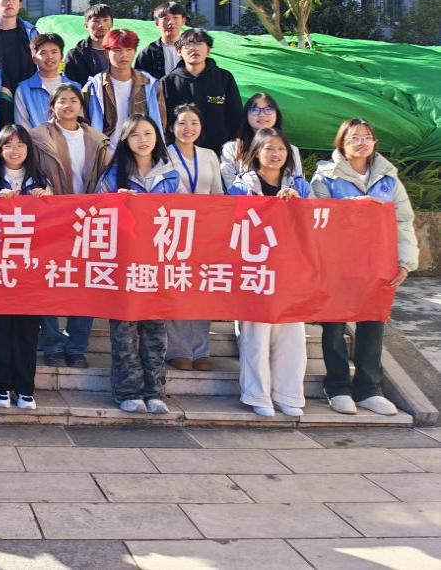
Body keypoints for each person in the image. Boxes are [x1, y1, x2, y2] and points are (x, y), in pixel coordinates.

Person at [311, 118, 418, 416]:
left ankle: (368, 388)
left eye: (367, 137)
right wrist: (354, 206)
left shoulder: (388, 178)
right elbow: (317, 218)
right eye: (354, 138)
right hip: (338, 264)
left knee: (373, 323)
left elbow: (403, 221)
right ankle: (337, 387)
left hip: (378, 263)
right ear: (341, 143)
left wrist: (405, 262)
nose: (362, 142)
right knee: (334, 325)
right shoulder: (325, 177)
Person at [97, 114, 179, 414]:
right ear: (125, 140)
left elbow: (183, 215)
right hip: (124, 263)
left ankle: (154, 390)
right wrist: (116, 203)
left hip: (158, 263)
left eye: (148, 133)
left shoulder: (170, 175)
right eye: (135, 134)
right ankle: (128, 391)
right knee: (124, 330)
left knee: (155, 330)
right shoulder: (112, 176)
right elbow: (96, 214)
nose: (142, 140)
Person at [228, 127, 311, 417]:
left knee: (292, 335)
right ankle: (257, 394)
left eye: (281, 149)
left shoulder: (300, 186)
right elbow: (230, 222)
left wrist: (298, 205)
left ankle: (289, 394)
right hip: (255, 270)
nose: (275, 154)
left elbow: (316, 222)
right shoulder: (241, 186)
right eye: (269, 148)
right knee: (256, 335)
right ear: (256, 152)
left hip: (290, 270)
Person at [30, 84, 111, 367]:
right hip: (51, 219)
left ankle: (77, 347)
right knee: (48, 282)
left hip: (88, 220)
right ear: (52, 106)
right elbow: (31, 172)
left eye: (73, 100)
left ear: (81, 106)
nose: (68, 105)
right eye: (62, 100)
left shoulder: (97, 140)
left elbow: (109, 176)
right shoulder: (37, 137)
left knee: (85, 285)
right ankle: (52, 344)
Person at [0, 125, 51, 411]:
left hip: (30, 269)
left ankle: (25, 389)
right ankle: (2, 386)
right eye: (8, 145)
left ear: (29, 149)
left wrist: (45, 203)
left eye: (20, 144)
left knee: (27, 331)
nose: (14, 150)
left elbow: (54, 224)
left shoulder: (40, 180)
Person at [164, 103, 223, 372]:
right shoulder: (164, 154)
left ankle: (201, 349)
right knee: (176, 286)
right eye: (182, 123)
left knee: (202, 288)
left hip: (205, 230)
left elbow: (218, 193)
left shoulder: (209, 155)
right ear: (171, 127)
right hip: (174, 229)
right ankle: (178, 349)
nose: (188, 128)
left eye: (194, 123)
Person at [83, 28, 168, 152]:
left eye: (129, 49)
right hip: (105, 155)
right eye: (117, 50)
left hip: (140, 154)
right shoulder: (94, 87)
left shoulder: (149, 85)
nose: (124, 55)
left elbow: (161, 122)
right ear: (106, 53)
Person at [160, 29, 244, 152]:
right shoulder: (167, 82)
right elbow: (163, 121)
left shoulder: (224, 78)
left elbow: (236, 116)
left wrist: (232, 148)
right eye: (188, 44)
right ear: (178, 51)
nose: (194, 48)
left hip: (219, 151)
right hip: (180, 152)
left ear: (208, 50)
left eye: (199, 43)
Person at [220, 92, 303, 190]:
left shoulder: (292, 150)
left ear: (277, 114)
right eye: (255, 110)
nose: (262, 114)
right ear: (246, 115)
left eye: (268, 109)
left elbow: (299, 185)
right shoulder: (231, 148)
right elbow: (231, 186)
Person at [14, 32, 73, 129]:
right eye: (43, 53)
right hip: (36, 139)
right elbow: (22, 127)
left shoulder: (74, 88)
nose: (50, 57)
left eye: (54, 52)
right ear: (34, 59)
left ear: (61, 57)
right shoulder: (23, 90)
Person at [135, 1, 187, 80]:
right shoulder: (147, 53)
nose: (170, 22)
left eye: (175, 17)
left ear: (183, 20)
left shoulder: (191, 49)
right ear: (157, 23)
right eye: (165, 19)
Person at [63, 3, 112, 86]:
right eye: (96, 21)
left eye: (105, 20)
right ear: (86, 25)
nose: (101, 25)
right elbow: (70, 86)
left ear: (112, 23)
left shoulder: (119, 51)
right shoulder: (75, 55)